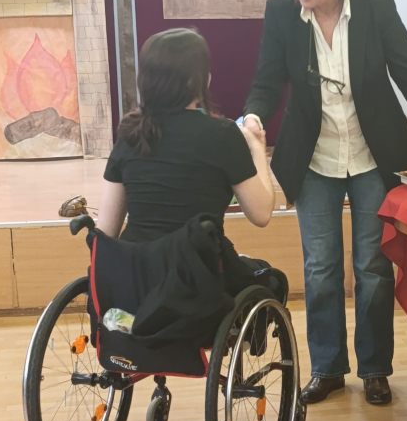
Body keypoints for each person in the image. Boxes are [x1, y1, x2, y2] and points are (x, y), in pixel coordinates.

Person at [243, 0, 407, 406]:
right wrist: (253, 115)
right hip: (313, 158)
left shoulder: (376, 6)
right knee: (320, 268)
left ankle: (375, 369)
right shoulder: (282, 14)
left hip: (372, 156)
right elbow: (267, 80)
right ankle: (327, 369)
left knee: (373, 266)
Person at [98, 28, 276, 295]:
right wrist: (257, 148)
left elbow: (105, 231)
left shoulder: (130, 134)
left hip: (135, 282)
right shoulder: (222, 135)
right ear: (196, 80)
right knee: (270, 280)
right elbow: (261, 214)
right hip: (197, 281)